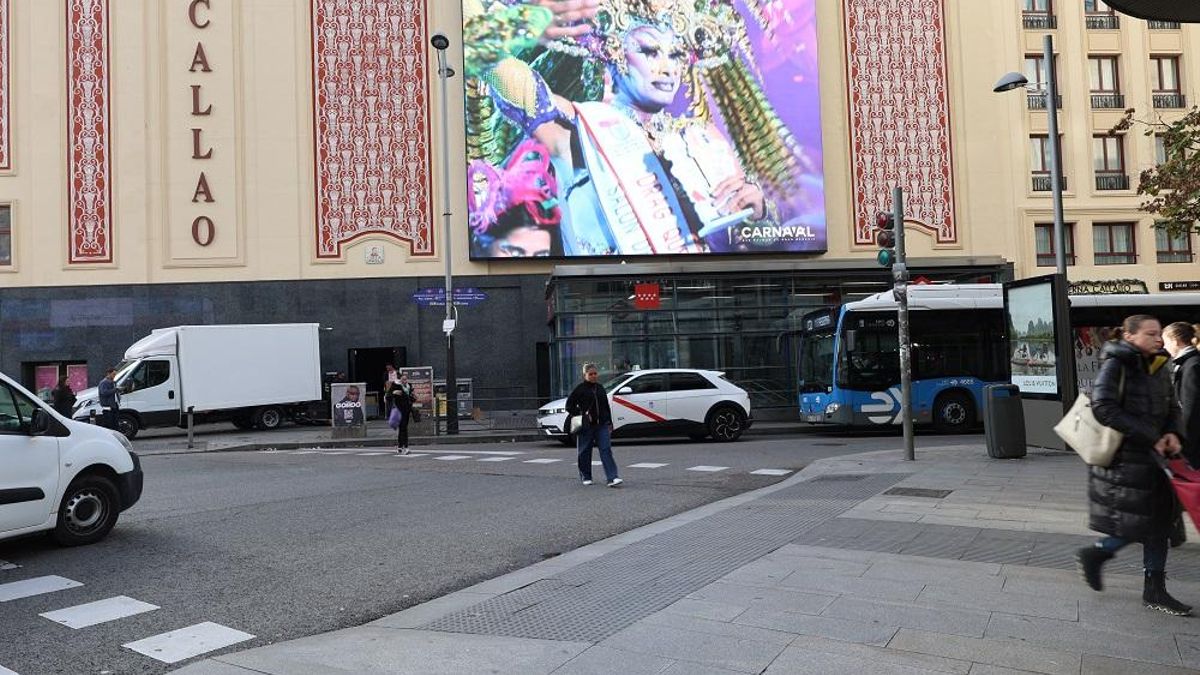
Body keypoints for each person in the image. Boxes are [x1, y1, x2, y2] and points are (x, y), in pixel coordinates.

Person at [464, 0, 820, 256]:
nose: (667, 68)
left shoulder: (701, 139)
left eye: (675, 55)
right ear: (615, 54)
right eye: (650, 52)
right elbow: (476, 48)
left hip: (700, 297)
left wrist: (758, 211)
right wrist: (527, 20)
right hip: (606, 298)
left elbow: (750, 240)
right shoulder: (575, 129)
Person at [1076, 314, 1189, 616]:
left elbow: (1172, 406)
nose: (1157, 338)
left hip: (1156, 456)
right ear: (1129, 336)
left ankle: (1154, 588)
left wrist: (1173, 433)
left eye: (1159, 334)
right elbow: (1103, 408)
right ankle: (1098, 553)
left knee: (1159, 523)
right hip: (1126, 459)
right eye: (1150, 334)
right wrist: (1150, 436)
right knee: (1142, 522)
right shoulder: (1117, 364)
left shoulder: (1160, 365)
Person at [565, 362, 622, 487]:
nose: (594, 376)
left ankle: (612, 477)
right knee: (584, 451)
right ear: (584, 375)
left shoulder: (600, 388)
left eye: (595, 374)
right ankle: (586, 476)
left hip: (601, 425)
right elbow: (569, 406)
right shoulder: (579, 389)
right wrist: (582, 414)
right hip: (586, 426)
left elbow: (605, 407)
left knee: (606, 450)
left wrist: (609, 422)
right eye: (590, 374)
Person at [1164, 322, 1200, 468]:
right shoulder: (1189, 363)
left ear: (1175, 341)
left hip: (1193, 443)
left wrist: (1183, 441)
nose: (1164, 347)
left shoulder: (1192, 366)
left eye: (1166, 342)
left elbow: (1190, 408)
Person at [388, 376, 414, 454]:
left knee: (403, 428)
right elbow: (388, 396)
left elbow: (410, 398)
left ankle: (400, 447)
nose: (405, 381)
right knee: (403, 429)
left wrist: (414, 397)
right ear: (400, 380)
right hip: (399, 410)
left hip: (407, 410)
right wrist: (394, 392)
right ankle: (405, 447)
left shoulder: (409, 386)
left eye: (406, 379)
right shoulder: (396, 386)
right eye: (403, 379)